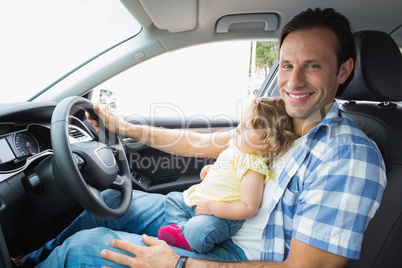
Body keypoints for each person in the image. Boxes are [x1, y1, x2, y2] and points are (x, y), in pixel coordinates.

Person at [19, 7, 386, 268]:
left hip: (236, 252)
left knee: (86, 248)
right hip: (197, 211)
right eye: (287, 65)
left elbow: (308, 267)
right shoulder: (281, 117)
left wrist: (177, 263)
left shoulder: (349, 156)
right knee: (109, 201)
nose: (293, 82)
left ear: (344, 70)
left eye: (313, 65)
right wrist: (126, 129)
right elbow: (204, 143)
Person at [158, 98, 298, 253]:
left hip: (223, 216)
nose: (237, 129)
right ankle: (181, 231)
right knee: (172, 199)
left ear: (268, 141)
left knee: (198, 230)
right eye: (240, 123)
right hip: (201, 202)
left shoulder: (253, 169)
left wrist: (213, 208)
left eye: (246, 128)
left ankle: (187, 235)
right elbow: (227, 172)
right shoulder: (236, 148)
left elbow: (249, 208)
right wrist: (210, 170)